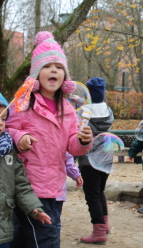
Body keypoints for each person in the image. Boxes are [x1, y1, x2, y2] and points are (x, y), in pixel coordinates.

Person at [6, 31, 93, 248]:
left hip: (54, 186)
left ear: (65, 75)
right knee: (47, 239)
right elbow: (7, 128)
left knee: (25, 239)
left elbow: (72, 146)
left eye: (59, 66)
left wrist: (83, 141)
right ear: (36, 73)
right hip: (27, 186)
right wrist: (20, 136)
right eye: (46, 66)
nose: (53, 70)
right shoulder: (22, 104)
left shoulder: (69, 110)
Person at [0, 93, 51, 248]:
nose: (1, 123)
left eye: (3, 119)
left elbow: (21, 184)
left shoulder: (8, 149)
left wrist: (33, 208)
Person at [78, 77, 114, 245]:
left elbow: (79, 127)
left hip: (89, 159)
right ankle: (104, 224)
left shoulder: (84, 111)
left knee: (92, 195)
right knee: (99, 192)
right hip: (106, 157)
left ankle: (98, 232)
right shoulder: (108, 110)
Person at [55, 152, 83, 232]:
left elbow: (66, 157)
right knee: (54, 222)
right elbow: (68, 158)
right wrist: (76, 174)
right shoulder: (59, 140)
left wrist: (76, 174)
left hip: (48, 191)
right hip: (57, 191)